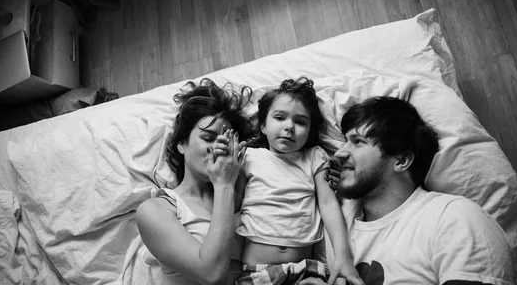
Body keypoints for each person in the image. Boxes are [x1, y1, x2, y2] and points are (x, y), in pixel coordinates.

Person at [324, 96, 516, 285]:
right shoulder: (338, 228)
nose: (340, 153)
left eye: (358, 141)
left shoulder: (453, 218)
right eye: (344, 142)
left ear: (401, 161)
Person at [235, 77, 364, 285]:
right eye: (279, 118)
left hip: (307, 271)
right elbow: (233, 204)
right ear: (263, 126)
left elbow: (329, 204)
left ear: (310, 132)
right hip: (257, 272)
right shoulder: (249, 157)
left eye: (300, 122)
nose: (289, 127)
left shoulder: (314, 157)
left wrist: (343, 257)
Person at [136, 79, 255, 285]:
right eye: (208, 138)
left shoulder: (244, 191)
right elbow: (211, 274)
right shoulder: (155, 210)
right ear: (182, 144)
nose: (218, 147)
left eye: (226, 141)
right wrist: (224, 184)